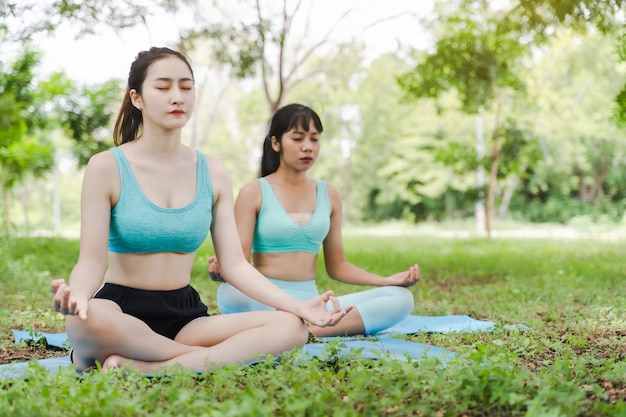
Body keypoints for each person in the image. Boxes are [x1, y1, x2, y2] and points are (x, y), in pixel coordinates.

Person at [49, 48, 351, 374]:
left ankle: (149, 367)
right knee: (85, 320)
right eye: (163, 87)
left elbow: (235, 264)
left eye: (186, 86)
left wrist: (298, 307)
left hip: (185, 316)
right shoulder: (106, 167)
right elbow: (91, 261)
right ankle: (194, 358)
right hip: (120, 309)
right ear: (137, 98)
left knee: (291, 327)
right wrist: (78, 294)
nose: (177, 97)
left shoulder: (213, 171)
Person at [208, 103, 420, 337]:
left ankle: (301, 329)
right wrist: (222, 268)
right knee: (231, 293)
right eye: (297, 139)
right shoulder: (254, 192)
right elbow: (239, 263)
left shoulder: (330, 193)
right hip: (263, 299)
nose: (307, 147)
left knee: (400, 298)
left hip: (312, 303)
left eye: (314, 139)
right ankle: (304, 327)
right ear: (276, 143)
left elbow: (337, 265)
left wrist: (385, 281)